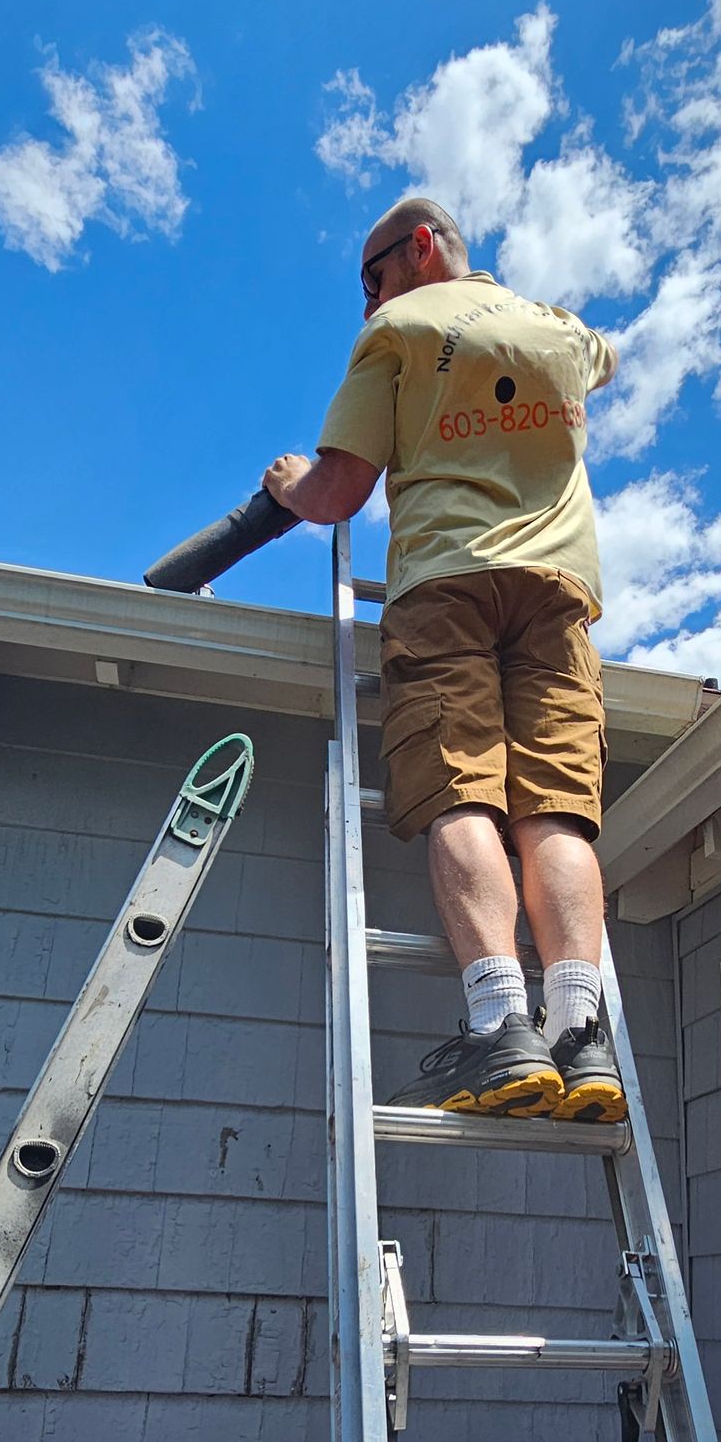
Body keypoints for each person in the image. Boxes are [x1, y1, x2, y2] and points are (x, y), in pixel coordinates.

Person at [263, 195, 624, 1123]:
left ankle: (503, 1024)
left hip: (447, 583)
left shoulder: (403, 328)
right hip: (556, 592)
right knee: (556, 811)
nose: (368, 301)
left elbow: (340, 491)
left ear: (421, 248)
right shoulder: (559, 330)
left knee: (462, 791)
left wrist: (289, 486)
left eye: (372, 277)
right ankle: (582, 1035)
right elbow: (601, 358)